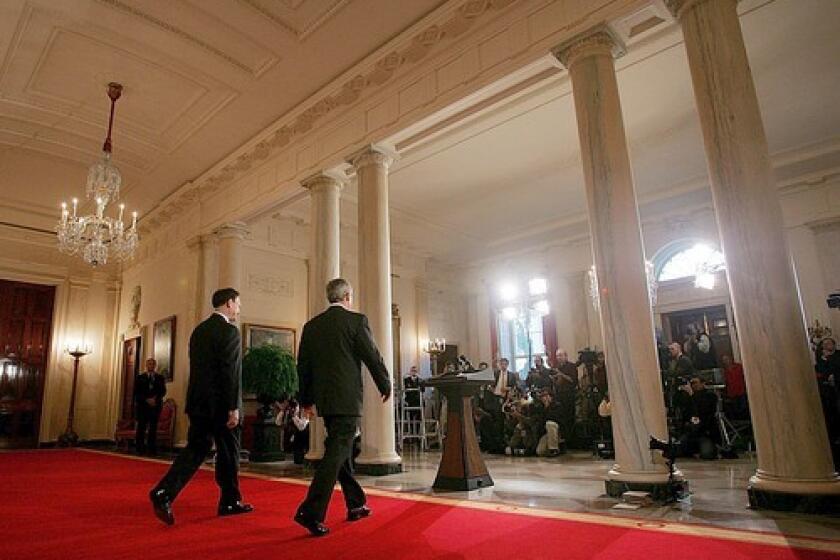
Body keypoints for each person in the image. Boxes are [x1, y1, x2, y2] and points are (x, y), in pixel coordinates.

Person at [294, 278, 391, 537]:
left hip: (325, 399)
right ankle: (311, 511)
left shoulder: (312, 326)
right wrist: (385, 383)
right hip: (347, 399)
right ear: (348, 296)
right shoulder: (356, 321)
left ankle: (355, 503)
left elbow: (303, 366)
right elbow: (372, 355)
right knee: (337, 451)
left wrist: (306, 401)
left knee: (340, 449)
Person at [149, 288, 252, 525]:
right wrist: (233, 407)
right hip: (221, 406)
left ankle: (164, 492)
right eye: (238, 303)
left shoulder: (199, 331)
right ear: (228, 303)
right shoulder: (229, 332)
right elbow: (230, 373)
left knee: (195, 450)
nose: (239, 308)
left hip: (198, 403)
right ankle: (230, 501)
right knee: (229, 454)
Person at [134, 358, 166, 455]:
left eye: (152, 364)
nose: (151, 366)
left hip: (155, 406)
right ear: (146, 365)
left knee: (153, 428)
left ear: (155, 365)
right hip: (143, 406)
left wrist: (155, 399)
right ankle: (140, 448)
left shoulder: (160, 378)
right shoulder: (140, 377)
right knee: (141, 427)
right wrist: (146, 399)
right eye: (149, 364)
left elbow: (163, 391)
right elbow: (137, 392)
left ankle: (151, 448)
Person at [721, 354, 748, 420]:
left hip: (741, 391)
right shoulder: (724, 371)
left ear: (730, 359)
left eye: (726, 359)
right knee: (735, 410)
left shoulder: (739, 367)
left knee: (743, 408)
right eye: (724, 360)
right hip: (732, 393)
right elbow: (725, 382)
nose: (726, 361)